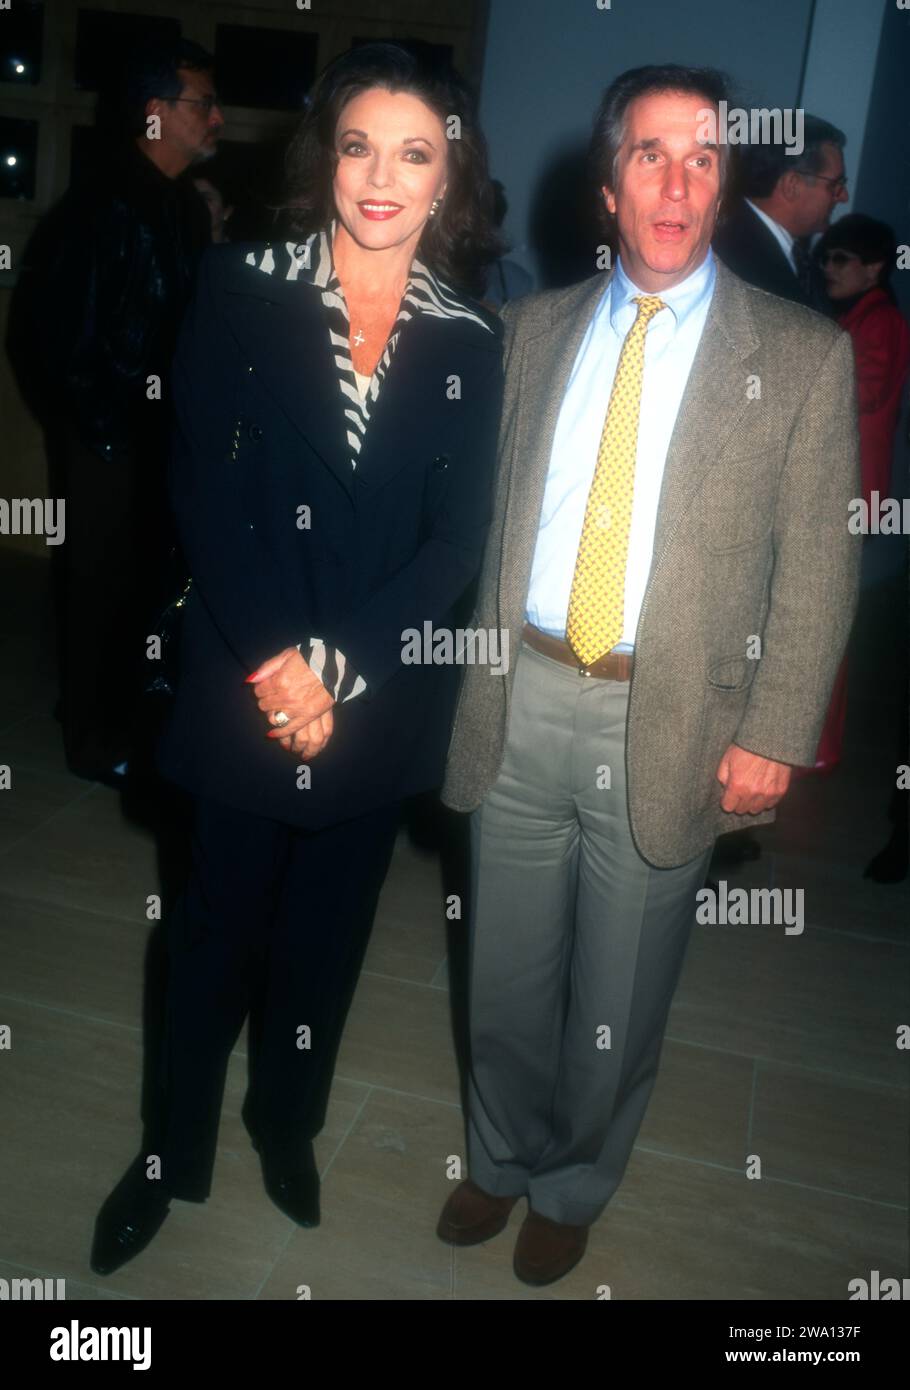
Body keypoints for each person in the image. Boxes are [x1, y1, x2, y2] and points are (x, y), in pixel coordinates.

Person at [437, 65, 860, 1287]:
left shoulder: (797, 356)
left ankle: (572, 1180)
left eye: (702, 158)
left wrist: (775, 728)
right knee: (505, 973)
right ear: (607, 184)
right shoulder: (524, 332)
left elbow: (818, 571)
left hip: (671, 716)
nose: (676, 182)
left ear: (723, 185)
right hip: (516, 694)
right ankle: (498, 1153)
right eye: (649, 156)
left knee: (618, 988)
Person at [89, 41, 503, 1276]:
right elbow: (200, 499)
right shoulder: (238, 283)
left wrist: (340, 670)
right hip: (242, 677)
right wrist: (282, 663)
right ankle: (170, 1154)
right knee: (211, 933)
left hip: (372, 707)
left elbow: (455, 541)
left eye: (414, 152)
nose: (382, 177)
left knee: (324, 942)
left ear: (447, 176)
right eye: (361, 145)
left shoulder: (472, 336)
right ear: (327, 155)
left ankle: (286, 1125)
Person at [7, 39, 222, 785]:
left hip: (157, 443)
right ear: (156, 114)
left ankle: (124, 723)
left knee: (146, 594)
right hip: (111, 445)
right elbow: (43, 336)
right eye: (202, 104)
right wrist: (100, 434)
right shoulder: (100, 208)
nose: (218, 119)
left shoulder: (181, 210)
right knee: (100, 591)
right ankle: (94, 742)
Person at [804, 214, 910, 772]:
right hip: (842, 490)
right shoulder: (859, 317)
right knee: (818, 617)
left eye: (841, 259)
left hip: (850, 495)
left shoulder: (883, 322)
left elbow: (861, 394)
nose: (828, 268)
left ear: (874, 269)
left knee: (825, 622)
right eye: (825, 257)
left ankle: (818, 747)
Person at [713, 114, 848, 307]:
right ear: (792, 185)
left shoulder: (799, 259)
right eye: (835, 185)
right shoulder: (729, 257)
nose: (844, 197)